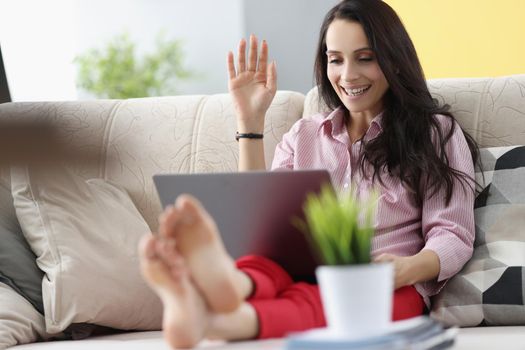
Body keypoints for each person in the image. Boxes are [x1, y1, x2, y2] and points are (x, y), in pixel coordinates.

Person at [139, 0, 479, 348]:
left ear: (394, 58)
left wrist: (407, 269)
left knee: (331, 306)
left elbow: (453, 233)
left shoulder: (436, 133)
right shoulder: (304, 135)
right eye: (336, 60)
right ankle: (231, 284)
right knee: (265, 260)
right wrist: (250, 122)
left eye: (365, 57)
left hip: (390, 287)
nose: (348, 75)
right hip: (303, 272)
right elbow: (260, 220)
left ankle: (216, 316)